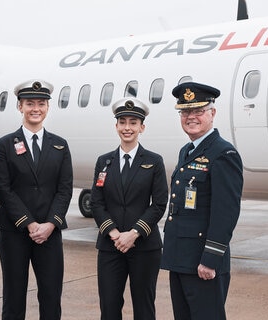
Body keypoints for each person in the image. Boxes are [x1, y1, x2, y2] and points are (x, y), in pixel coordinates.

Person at [160, 81, 244, 319]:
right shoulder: (187, 151)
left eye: (198, 111)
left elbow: (225, 213)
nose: (191, 117)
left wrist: (210, 259)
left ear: (212, 113)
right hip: (180, 258)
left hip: (202, 262)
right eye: (185, 111)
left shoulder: (222, 153)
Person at [0, 80, 73, 320]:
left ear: (48, 107)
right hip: (15, 231)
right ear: (20, 106)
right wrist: (29, 223)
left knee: (50, 296)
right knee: (14, 296)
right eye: (29, 103)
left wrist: (50, 224)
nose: (35, 108)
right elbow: (3, 188)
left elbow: (65, 189)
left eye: (41, 103)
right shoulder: (5, 145)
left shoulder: (60, 145)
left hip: (50, 232)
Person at [90, 98, 168, 320]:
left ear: (142, 127)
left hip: (144, 246)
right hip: (110, 246)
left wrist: (133, 234)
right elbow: (97, 202)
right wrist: (115, 234)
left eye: (133, 123)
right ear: (116, 126)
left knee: (144, 308)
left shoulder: (154, 161)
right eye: (122, 122)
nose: (127, 128)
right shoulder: (104, 162)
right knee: (109, 307)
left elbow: (159, 203)